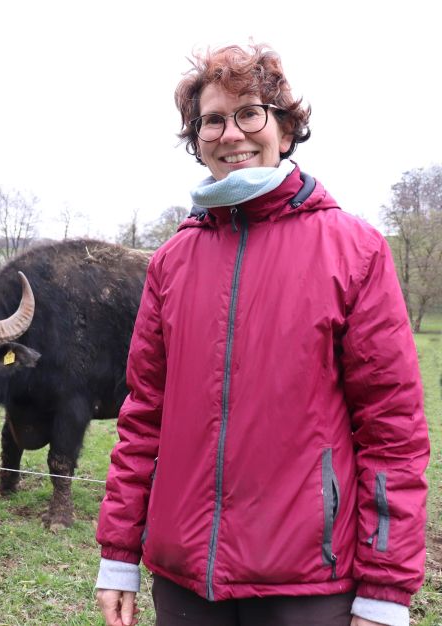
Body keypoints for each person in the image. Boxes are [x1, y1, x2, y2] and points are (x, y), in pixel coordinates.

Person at [95, 43, 429, 626]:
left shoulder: (354, 250)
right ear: (196, 139)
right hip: (184, 582)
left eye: (250, 113)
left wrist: (385, 590)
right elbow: (144, 415)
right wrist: (120, 556)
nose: (232, 134)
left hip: (307, 582)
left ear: (286, 126)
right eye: (213, 120)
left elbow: (392, 430)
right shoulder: (171, 262)